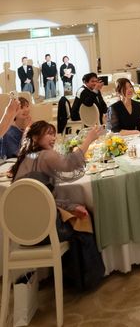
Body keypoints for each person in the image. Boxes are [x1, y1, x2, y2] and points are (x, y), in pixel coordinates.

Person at [11, 121, 105, 291]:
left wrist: (70, 207)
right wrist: (89, 140)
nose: (53, 138)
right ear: (35, 137)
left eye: (54, 134)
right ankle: (85, 280)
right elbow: (71, 164)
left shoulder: (26, 158)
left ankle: (73, 277)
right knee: (83, 219)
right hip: (43, 231)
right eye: (48, 133)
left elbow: (40, 198)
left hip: (20, 230)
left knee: (75, 211)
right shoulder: (46, 156)